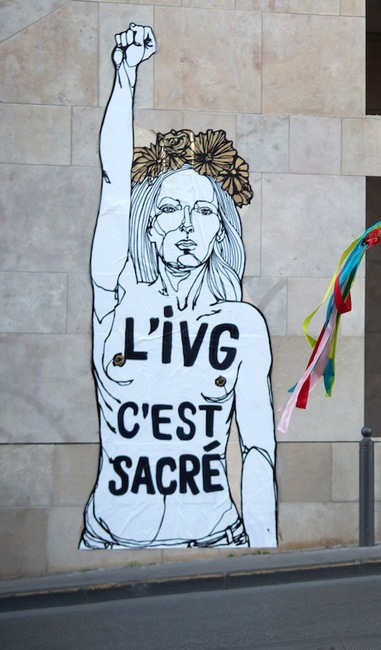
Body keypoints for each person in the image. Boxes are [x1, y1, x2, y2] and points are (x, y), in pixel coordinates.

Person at [81, 24, 277, 549]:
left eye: (202, 211)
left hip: (217, 535)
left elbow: (258, 450)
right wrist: (124, 80)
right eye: (170, 209)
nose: (186, 225)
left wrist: (263, 553)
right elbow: (113, 184)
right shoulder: (117, 300)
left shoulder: (241, 326)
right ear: (148, 224)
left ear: (220, 230)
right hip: (113, 538)